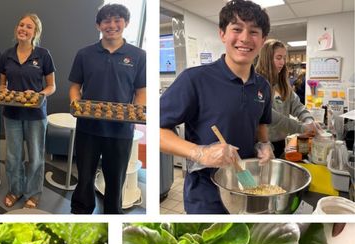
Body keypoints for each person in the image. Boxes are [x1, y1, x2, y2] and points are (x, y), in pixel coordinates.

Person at [160, 0, 273, 213]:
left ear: (263, 40)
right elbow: (158, 131)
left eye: (254, 32)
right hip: (206, 196)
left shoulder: (263, 86)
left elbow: (261, 124)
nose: (245, 38)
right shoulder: (194, 80)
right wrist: (200, 153)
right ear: (222, 34)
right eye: (237, 29)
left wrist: (264, 144)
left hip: (247, 188)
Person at [69, 3, 146, 215]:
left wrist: (136, 112)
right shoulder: (84, 54)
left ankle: (112, 215)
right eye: (106, 21)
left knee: (115, 179)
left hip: (120, 131)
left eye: (117, 20)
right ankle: (81, 212)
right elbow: (75, 86)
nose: (112, 25)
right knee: (84, 176)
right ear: (98, 25)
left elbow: (141, 91)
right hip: (88, 127)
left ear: (126, 23)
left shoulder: (138, 55)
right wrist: (76, 103)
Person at [0, 13, 55, 210]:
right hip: (12, 114)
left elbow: (51, 86)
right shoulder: (7, 55)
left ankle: (33, 193)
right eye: (21, 25)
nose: (23, 29)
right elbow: (2, 84)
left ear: (35, 32)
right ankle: (15, 190)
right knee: (13, 157)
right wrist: (3, 91)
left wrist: (38, 94)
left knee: (36, 157)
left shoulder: (43, 55)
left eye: (29, 27)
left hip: (35, 114)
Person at [256, 40, 318, 157]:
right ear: (266, 59)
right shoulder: (257, 83)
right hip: (262, 145)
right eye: (278, 58)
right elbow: (270, 115)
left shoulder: (282, 83)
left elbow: (298, 106)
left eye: (284, 58)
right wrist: (301, 127)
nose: (282, 62)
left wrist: (309, 120)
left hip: (281, 142)